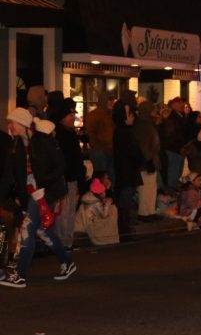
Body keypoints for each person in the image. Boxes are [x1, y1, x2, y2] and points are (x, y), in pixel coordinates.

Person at [0, 109, 75, 288]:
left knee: (28, 228)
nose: (10, 126)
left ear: (24, 124)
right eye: (9, 123)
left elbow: (61, 165)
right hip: (31, 194)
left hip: (48, 191)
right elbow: (8, 177)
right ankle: (67, 262)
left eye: (13, 123)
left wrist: (43, 183)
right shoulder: (15, 146)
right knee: (41, 231)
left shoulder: (42, 140)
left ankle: (20, 274)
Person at [53, 99, 85, 250]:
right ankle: (62, 242)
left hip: (73, 179)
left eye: (73, 114)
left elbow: (76, 159)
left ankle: (68, 241)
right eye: (70, 114)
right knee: (63, 213)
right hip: (63, 180)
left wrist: (80, 177)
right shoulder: (58, 135)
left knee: (70, 211)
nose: (73, 117)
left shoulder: (71, 134)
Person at [112, 102, 143, 236]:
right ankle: (123, 228)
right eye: (130, 115)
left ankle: (125, 226)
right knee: (125, 199)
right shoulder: (123, 133)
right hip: (127, 172)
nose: (133, 118)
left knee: (127, 198)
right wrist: (140, 158)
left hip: (127, 171)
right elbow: (131, 152)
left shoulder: (124, 131)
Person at [132, 100, 161, 220]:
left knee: (150, 187)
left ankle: (150, 211)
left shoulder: (145, 124)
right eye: (153, 111)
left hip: (149, 160)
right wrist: (148, 161)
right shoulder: (144, 125)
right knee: (146, 188)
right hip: (146, 162)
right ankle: (145, 212)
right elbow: (144, 145)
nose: (156, 113)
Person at [74, 176, 119, 245]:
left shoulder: (89, 197)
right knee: (113, 210)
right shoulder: (94, 203)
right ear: (98, 194)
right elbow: (104, 215)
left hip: (79, 227)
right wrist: (107, 204)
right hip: (86, 228)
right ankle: (108, 239)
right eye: (102, 192)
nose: (104, 193)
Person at [84, 91, 116, 184]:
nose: (112, 102)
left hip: (110, 153)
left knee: (110, 180)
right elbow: (90, 134)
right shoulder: (94, 115)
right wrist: (100, 148)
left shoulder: (111, 115)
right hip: (100, 154)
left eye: (113, 100)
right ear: (103, 101)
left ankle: (109, 197)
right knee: (101, 181)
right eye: (109, 100)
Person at [160, 97, 187, 191]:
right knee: (173, 173)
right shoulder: (172, 118)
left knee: (176, 173)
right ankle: (171, 192)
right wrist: (179, 147)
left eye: (183, 103)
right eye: (179, 103)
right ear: (173, 104)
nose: (182, 105)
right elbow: (170, 135)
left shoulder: (180, 116)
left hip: (177, 149)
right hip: (174, 150)